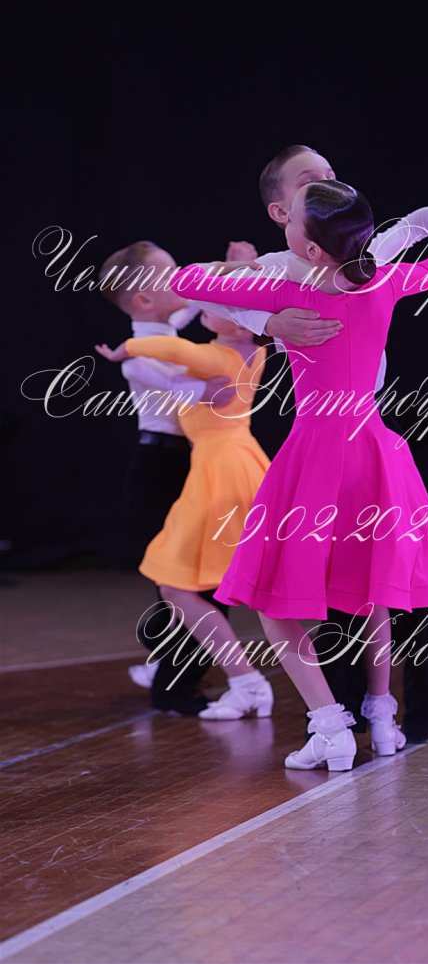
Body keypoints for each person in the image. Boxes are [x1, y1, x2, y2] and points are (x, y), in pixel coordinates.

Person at [165, 172, 428, 770]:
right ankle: (381, 714)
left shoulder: (285, 292)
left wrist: (256, 295)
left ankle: (330, 726)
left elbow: (184, 280)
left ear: (310, 247)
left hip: (317, 452)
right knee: (372, 590)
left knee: (273, 600)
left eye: (292, 218)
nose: (284, 224)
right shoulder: (384, 280)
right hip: (373, 448)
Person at [98, 239, 259, 714]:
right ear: (144, 299)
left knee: (188, 580)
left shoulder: (168, 325)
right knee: (188, 581)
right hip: (159, 470)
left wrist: (235, 269)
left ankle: (168, 663)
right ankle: (175, 684)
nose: (183, 278)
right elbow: (181, 385)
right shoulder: (139, 356)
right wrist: (212, 388)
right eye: (170, 274)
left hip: (189, 463)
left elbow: (205, 301)